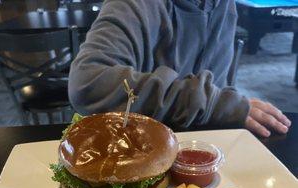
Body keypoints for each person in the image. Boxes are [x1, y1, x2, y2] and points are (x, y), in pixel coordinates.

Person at [69, 0, 291, 137]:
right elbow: (87, 82)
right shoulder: (136, 4)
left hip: (202, 156)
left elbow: (217, 89)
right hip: (132, 152)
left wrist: (218, 104)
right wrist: (213, 104)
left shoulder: (226, 6)